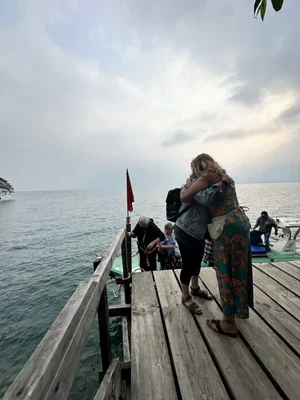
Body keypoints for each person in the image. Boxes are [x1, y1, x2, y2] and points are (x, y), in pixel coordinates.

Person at [181, 153, 253, 338]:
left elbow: (186, 197)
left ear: (197, 168)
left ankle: (228, 323)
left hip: (225, 228)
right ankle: (240, 310)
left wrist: (188, 184)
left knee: (225, 273)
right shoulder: (223, 174)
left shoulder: (208, 176)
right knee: (239, 270)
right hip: (240, 222)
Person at [175, 177, 228, 315]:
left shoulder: (207, 185)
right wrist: (221, 183)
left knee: (197, 260)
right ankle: (186, 297)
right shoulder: (195, 185)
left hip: (199, 232)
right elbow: (204, 198)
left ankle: (195, 287)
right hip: (185, 230)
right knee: (188, 265)